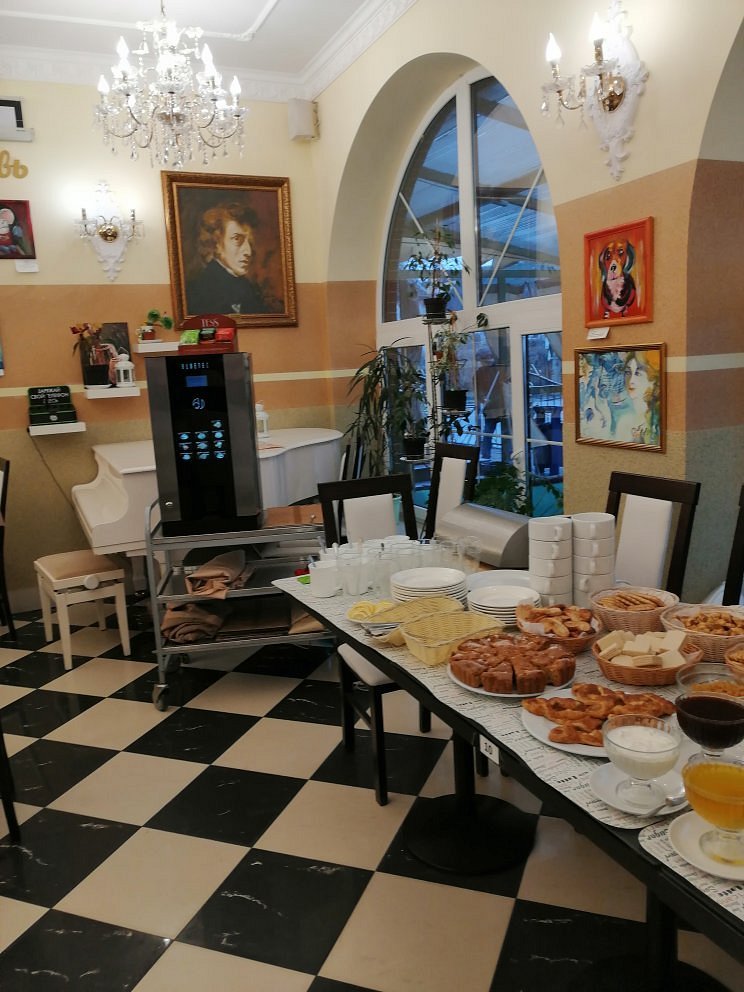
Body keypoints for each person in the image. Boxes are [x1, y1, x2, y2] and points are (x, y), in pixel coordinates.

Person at [185, 202, 281, 316]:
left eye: (250, 242)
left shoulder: (248, 287)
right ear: (216, 244)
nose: (248, 252)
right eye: (237, 239)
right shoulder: (201, 290)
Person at [475, 348, 511, 463]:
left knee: (506, 434)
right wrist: (482, 399)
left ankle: (507, 458)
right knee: (488, 433)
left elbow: (508, 382)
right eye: (483, 359)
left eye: (487, 357)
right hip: (490, 408)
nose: (485, 361)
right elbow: (477, 390)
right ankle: (486, 456)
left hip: (503, 406)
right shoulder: (479, 373)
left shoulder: (500, 369)